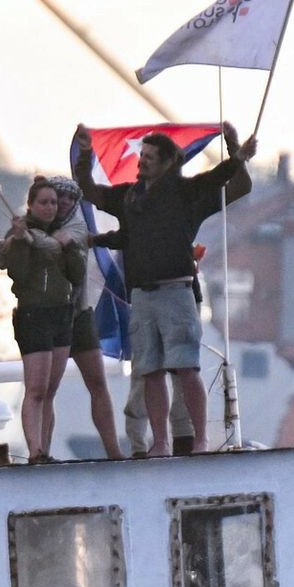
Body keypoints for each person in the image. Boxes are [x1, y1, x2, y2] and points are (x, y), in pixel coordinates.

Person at [74, 121, 255, 456]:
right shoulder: (129, 198)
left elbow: (229, 182)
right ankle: (160, 443)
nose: (141, 161)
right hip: (142, 295)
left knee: (186, 367)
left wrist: (236, 154)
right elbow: (90, 190)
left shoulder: (186, 195)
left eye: (150, 157)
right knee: (150, 370)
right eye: (141, 155)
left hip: (177, 292)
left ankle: (198, 439)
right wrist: (85, 154)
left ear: (168, 162)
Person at [0, 178, 89, 463]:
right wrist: (21, 242)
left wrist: (69, 248)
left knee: (50, 390)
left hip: (62, 313)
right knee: (35, 388)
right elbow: (18, 273)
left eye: (53, 203)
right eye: (44, 202)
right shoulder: (20, 232)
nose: (50, 208)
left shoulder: (63, 233)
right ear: (31, 204)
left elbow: (76, 274)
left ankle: (45, 447)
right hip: (34, 315)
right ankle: (35, 450)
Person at [45, 175, 122, 459]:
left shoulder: (77, 226)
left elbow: (69, 239)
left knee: (97, 383)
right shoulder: (33, 227)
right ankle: (41, 451)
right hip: (50, 317)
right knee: (46, 389)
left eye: (69, 198)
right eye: (57, 197)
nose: (63, 203)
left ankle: (113, 451)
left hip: (79, 312)